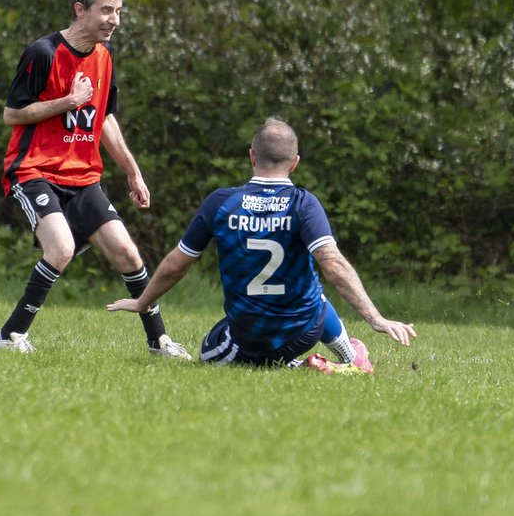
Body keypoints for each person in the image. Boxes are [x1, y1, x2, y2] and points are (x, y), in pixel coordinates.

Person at [107, 116, 416, 371]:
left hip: (250, 333)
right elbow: (333, 265)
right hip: (304, 330)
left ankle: (304, 367)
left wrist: (143, 301)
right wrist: (376, 319)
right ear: (294, 163)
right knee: (313, 291)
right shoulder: (304, 204)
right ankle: (348, 357)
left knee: (207, 354)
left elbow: (176, 265)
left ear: (252, 156)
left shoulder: (222, 203)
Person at [0, 0, 191, 359]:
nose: (115, 20)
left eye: (118, 11)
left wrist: (132, 171)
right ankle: (9, 336)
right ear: (80, 10)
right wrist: (68, 101)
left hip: (83, 178)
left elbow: (106, 120)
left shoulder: (105, 57)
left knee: (128, 255)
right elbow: (12, 115)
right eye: (106, 10)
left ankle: (159, 342)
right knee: (60, 249)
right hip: (34, 171)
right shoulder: (43, 53)